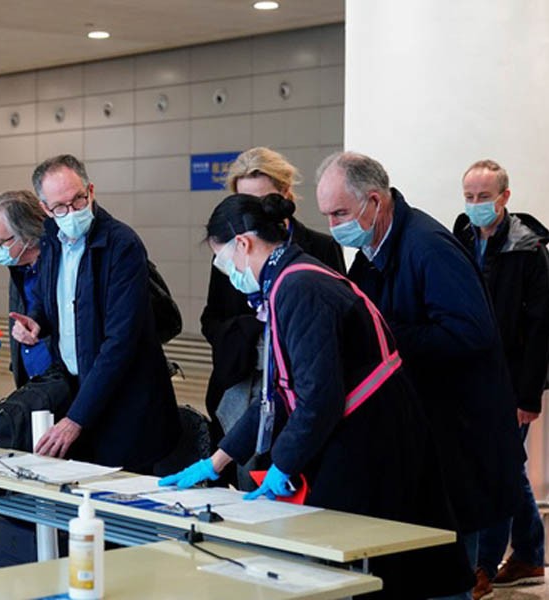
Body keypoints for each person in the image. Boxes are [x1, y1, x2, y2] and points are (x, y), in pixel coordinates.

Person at [161, 193, 472, 598]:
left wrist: (282, 467)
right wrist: (216, 461)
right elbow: (277, 393)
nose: (227, 273)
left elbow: (317, 397)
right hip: (363, 434)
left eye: (222, 261)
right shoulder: (286, 281)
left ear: (243, 243)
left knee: (388, 564)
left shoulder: (300, 286)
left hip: (375, 437)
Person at [316, 152, 525, 598]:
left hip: (458, 436)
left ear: (374, 201)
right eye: (327, 215)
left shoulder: (427, 246)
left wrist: (387, 334)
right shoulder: (373, 248)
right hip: (419, 433)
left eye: (340, 213)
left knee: (449, 573)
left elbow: (471, 333)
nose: (334, 226)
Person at [9, 154, 180, 473]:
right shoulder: (51, 239)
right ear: (45, 208)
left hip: (126, 403)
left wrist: (76, 418)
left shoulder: (121, 244)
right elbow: (54, 300)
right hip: (80, 391)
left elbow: (120, 342)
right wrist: (37, 321)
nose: (72, 212)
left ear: (90, 190)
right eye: (61, 206)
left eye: (78, 200)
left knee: (125, 511)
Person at [199, 147, 345, 487]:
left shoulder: (303, 273)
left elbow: (318, 388)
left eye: (260, 202)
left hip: (296, 383)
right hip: (249, 378)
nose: (249, 214)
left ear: (285, 196)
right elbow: (213, 319)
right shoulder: (229, 255)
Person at [453, 159, 548, 595]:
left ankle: (484, 567)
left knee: (499, 470)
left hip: (510, 384)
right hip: (471, 380)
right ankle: (529, 552)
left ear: (505, 197)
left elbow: (541, 331)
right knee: (502, 468)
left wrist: (528, 397)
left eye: (483, 197)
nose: (475, 205)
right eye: (469, 197)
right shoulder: (461, 237)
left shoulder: (528, 250)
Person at [0, 190, 52, 387]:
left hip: (62, 382)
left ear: (28, 238)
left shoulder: (57, 268)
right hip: (30, 380)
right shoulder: (17, 268)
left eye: (0, 241)